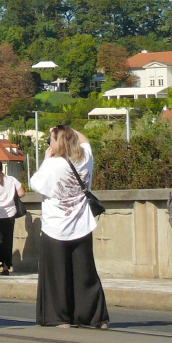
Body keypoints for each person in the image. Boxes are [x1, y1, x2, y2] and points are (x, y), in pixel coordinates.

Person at [29, 124, 108, 327]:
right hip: (81, 224)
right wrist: (67, 129)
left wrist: (47, 158)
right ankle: (93, 317)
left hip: (56, 226)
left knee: (56, 276)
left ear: (58, 143)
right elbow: (86, 141)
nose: (50, 143)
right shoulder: (85, 158)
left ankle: (58, 316)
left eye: (52, 140)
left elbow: (35, 184)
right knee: (85, 274)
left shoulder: (53, 165)